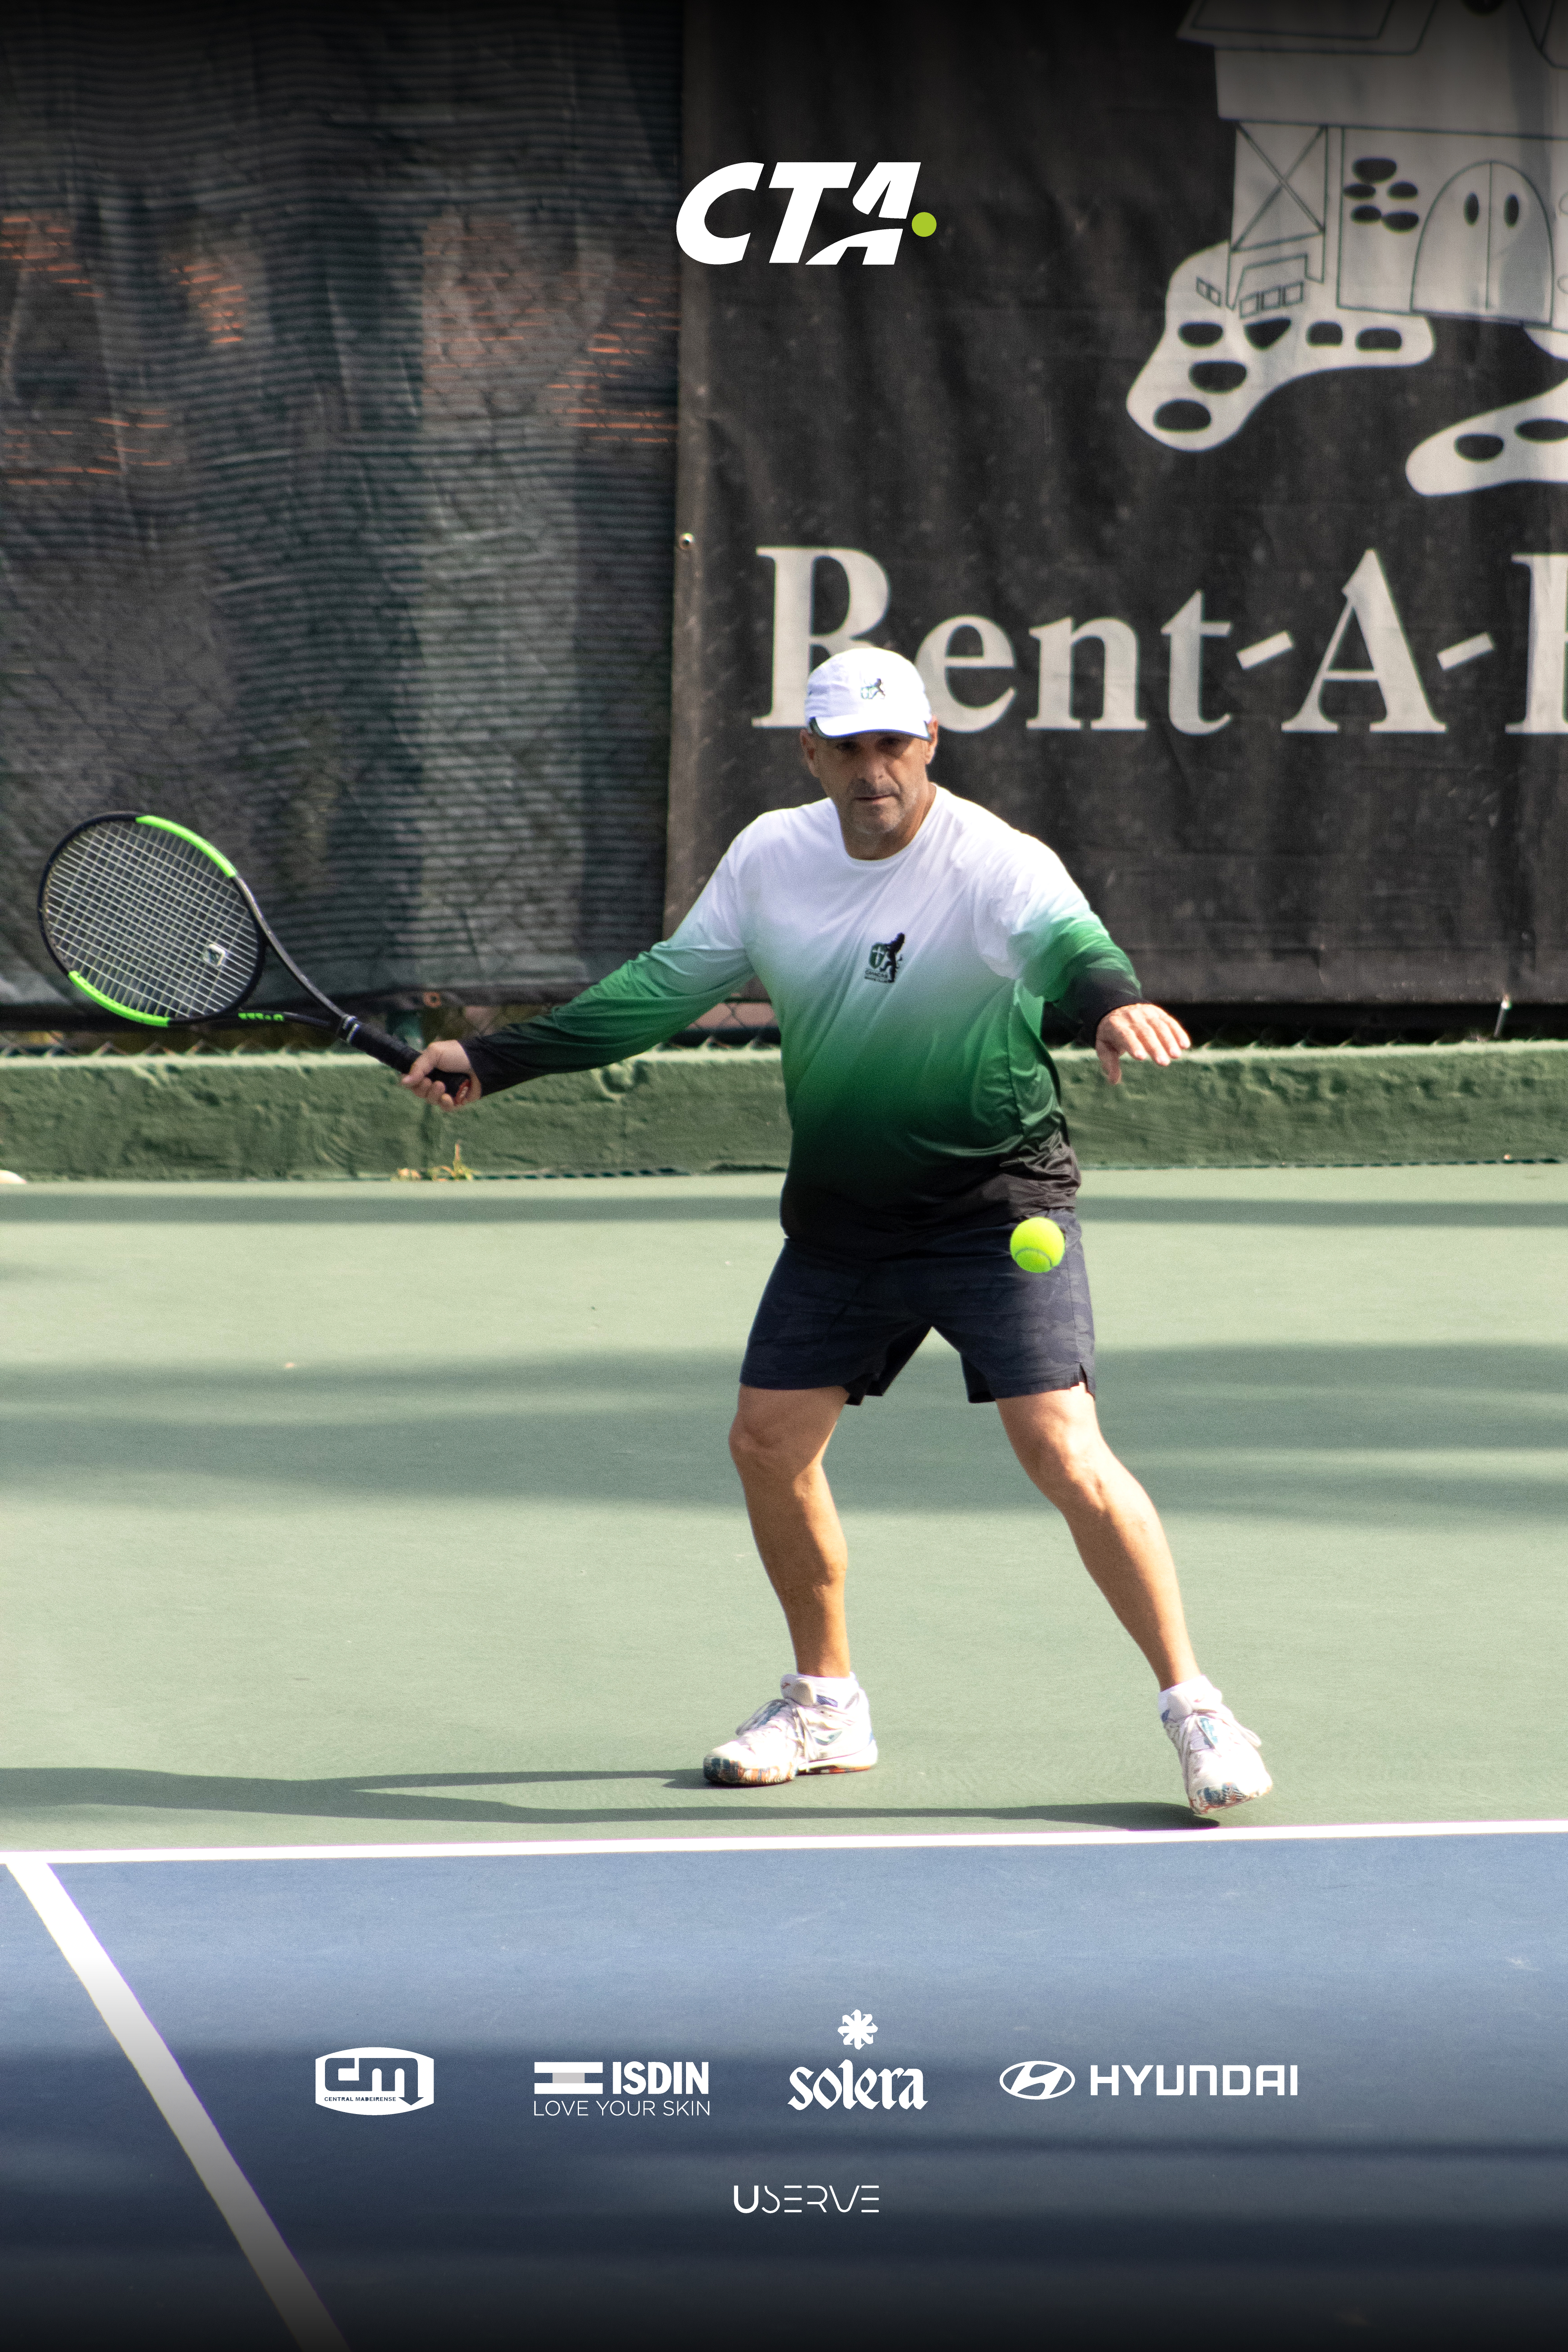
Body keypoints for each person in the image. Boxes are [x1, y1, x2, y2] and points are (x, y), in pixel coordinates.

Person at [404, 645, 1272, 1817]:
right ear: (810, 754)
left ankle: (1197, 1709)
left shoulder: (995, 861)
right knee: (767, 1444)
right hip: (843, 1222)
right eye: (848, 747)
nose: (875, 769)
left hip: (997, 1204)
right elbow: (664, 987)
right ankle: (826, 1704)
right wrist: (497, 1060)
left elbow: (1074, 952)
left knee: (1062, 1447)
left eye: (893, 745)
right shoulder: (772, 859)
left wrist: (1114, 1006)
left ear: (929, 745)